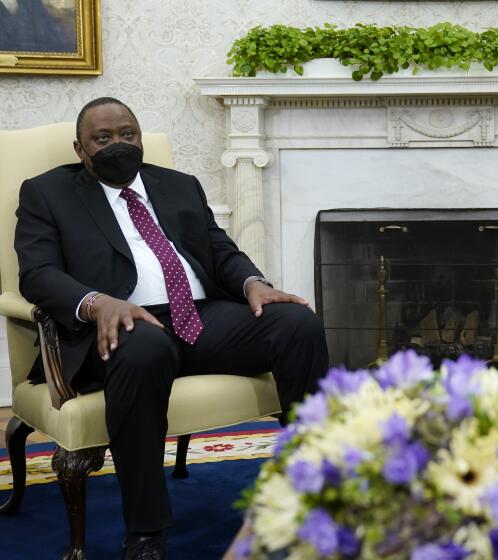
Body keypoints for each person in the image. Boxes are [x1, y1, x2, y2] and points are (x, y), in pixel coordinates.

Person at [14, 97, 329, 560]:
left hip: (198, 316)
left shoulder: (179, 185)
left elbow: (219, 249)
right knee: (144, 349)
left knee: (296, 323)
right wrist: (97, 302)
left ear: (140, 137)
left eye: (128, 134)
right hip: (121, 322)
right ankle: (145, 533)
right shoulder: (47, 193)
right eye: (103, 139)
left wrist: (253, 283)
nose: (118, 144)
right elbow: (37, 274)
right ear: (81, 150)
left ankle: (315, 491)